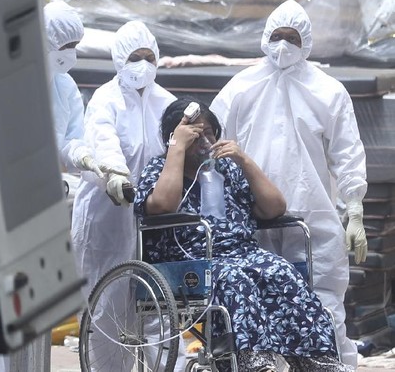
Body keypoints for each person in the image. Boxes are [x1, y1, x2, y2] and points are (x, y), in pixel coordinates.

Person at [134, 98, 351, 372]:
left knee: (280, 272)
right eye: (196, 135)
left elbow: (274, 208)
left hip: (242, 253)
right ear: (174, 137)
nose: (204, 142)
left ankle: (316, 361)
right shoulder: (158, 169)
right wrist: (176, 149)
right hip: (190, 261)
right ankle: (252, 361)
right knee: (235, 280)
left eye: (209, 134)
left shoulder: (226, 171)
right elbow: (162, 205)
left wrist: (244, 160)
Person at [210, 0, 367, 368]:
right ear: (265, 37)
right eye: (277, 36)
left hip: (312, 217)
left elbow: (347, 152)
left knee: (323, 301)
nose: (283, 45)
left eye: (291, 37)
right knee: (260, 310)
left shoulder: (327, 90)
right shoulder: (240, 88)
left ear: (306, 41)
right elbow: (212, 147)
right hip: (256, 218)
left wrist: (355, 207)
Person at [71, 20, 183, 371]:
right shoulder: (106, 101)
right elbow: (102, 140)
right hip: (108, 218)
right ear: (119, 59)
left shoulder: (167, 103)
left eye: (149, 56)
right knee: (106, 307)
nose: (143, 64)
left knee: (156, 307)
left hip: (153, 220)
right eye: (135, 57)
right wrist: (116, 174)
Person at [44, 1, 105, 179]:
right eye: (67, 46)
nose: (72, 54)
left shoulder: (65, 86)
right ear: (47, 41)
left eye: (75, 46)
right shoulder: (16, 83)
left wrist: (81, 155)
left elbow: (70, 139)